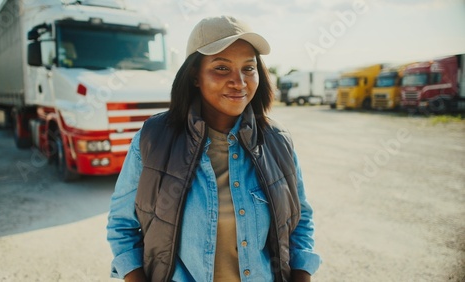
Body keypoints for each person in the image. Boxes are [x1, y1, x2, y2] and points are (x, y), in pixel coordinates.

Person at [107, 15, 321, 282]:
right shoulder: (153, 139)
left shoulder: (278, 141)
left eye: (248, 68)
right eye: (222, 68)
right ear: (195, 75)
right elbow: (122, 226)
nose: (239, 82)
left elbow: (300, 223)